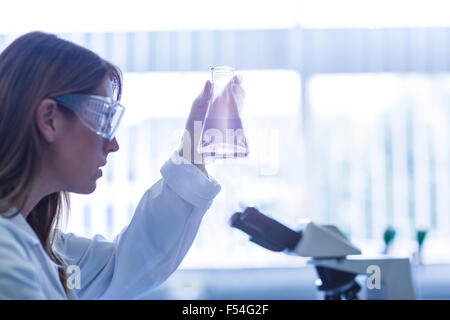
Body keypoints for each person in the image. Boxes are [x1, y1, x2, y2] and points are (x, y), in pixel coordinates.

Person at [0, 31, 244, 299]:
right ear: (49, 120)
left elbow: (124, 266)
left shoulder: (42, 247)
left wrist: (191, 154)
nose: (113, 144)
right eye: (104, 116)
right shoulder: (6, 255)